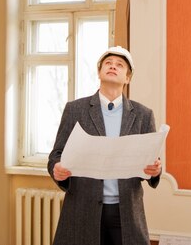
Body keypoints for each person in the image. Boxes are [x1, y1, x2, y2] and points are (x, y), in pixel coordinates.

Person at [47, 46, 162, 245]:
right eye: (108, 63)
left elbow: (152, 162)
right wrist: (57, 168)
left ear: (127, 78)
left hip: (126, 212)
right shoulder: (75, 110)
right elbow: (56, 155)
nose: (113, 66)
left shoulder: (144, 115)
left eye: (120, 65)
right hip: (82, 209)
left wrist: (155, 170)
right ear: (99, 72)